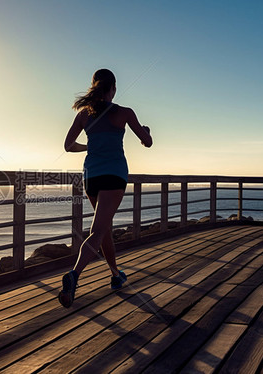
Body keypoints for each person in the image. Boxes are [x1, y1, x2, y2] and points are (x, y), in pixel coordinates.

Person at [59, 68, 153, 308]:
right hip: (114, 175)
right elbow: (147, 142)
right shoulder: (124, 113)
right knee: (98, 231)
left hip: (92, 176)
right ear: (113, 88)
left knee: (104, 229)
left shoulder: (84, 114)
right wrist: (147, 132)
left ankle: (115, 275)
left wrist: (88, 148)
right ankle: (75, 274)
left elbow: (68, 145)